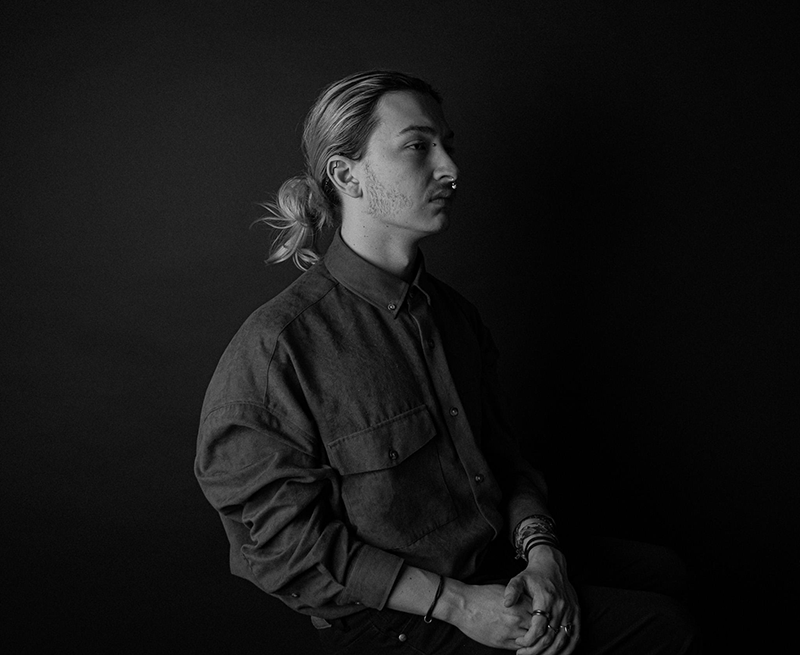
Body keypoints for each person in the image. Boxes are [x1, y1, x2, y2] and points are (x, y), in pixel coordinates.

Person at [195, 70, 700, 654]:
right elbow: (285, 549)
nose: (450, 169)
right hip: (395, 616)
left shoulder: (455, 318)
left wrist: (543, 554)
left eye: (447, 145)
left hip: (491, 558)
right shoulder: (278, 350)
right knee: (667, 628)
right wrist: (457, 604)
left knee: (668, 570)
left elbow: (507, 464)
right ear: (345, 173)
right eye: (417, 146)